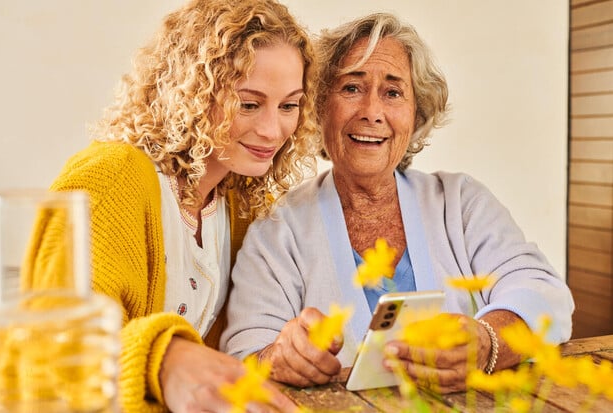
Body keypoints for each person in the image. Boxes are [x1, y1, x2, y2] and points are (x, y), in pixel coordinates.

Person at [222, 12, 575, 393]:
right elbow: (245, 353)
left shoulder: (460, 201)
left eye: (393, 93)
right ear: (319, 107)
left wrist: (489, 341)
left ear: (416, 113)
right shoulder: (277, 232)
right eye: (352, 88)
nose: (372, 112)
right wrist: (278, 357)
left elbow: (543, 291)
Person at [39, 0, 318, 411]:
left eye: (289, 105)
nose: (272, 130)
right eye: (248, 103)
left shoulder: (242, 204)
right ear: (192, 90)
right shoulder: (113, 177)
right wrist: (163, 356)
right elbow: (50, 340)